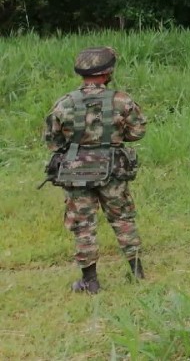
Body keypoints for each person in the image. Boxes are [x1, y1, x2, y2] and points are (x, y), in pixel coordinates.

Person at [43, 47, 147, 293]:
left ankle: (90, 282)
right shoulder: (122, 100)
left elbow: (52, 141)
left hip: (76, 174)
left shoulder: (64, 103)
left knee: (83, 226)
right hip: (113, 171)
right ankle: (137, 273)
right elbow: (137, 132)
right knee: (123, 219)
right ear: (108, 72)